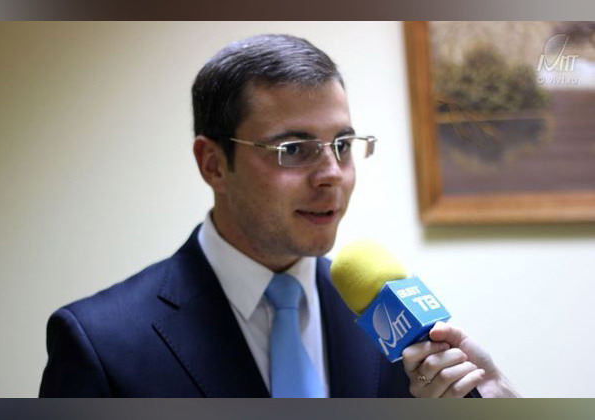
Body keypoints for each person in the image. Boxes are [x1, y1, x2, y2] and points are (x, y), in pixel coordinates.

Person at [39, 34, 518, 398]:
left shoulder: (388, 323)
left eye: (342, 145)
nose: (332, 175)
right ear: (213, 164)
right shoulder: (101, 343)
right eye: (294, 149)